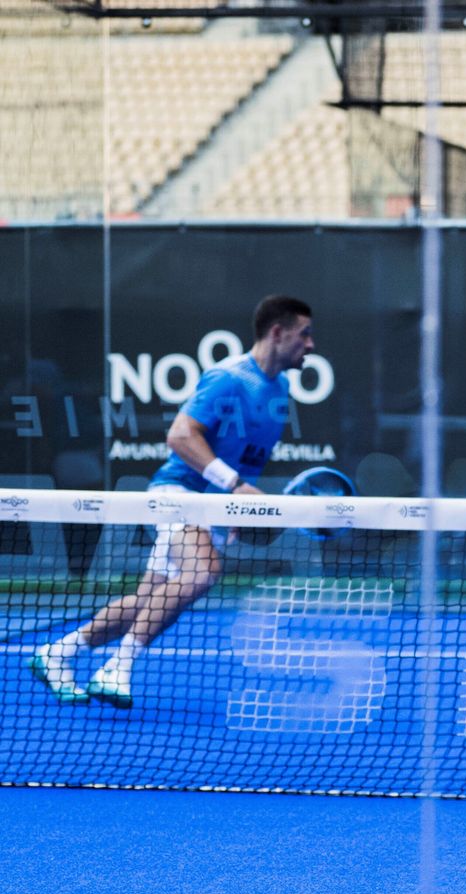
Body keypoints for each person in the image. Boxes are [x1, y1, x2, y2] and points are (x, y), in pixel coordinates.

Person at [29, 295, 316, 710]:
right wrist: (233, 485)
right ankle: (116, 668)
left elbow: (246, 456)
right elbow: (181, 436)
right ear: (277, 332)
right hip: (177, 495)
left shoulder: (281, 387)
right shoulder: (228, 377)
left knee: (151, 601)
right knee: (203, 573)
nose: (311, 345)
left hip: (212, 507)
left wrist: (237, 507)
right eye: (304, 334)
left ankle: (58, 653)